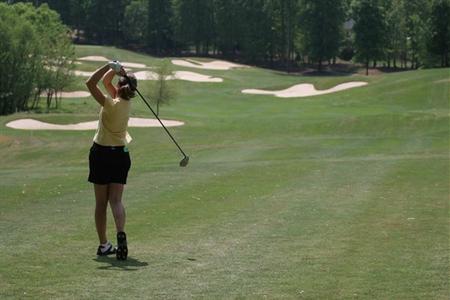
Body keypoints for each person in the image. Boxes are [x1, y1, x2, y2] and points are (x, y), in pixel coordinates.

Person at [85, 61, 137, 260]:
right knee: (116, 200)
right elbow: (109, 83)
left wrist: (109, 65)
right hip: (121, 156)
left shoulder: (109, 102)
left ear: (120, 86)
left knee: (101, 203)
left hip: (101, 154)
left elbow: (91, 83)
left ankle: (104, 245)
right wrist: (116, 71)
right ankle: (120, 232)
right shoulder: (125, 102)